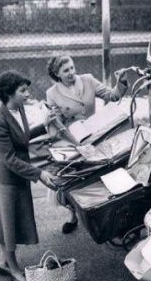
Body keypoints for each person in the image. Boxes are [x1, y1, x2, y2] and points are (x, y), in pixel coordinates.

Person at [0, 71, 58, 281]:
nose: (28, 94)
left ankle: (3, 263)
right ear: (9, 93)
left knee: (12, 222)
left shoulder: (19, 110)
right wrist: (40, 173)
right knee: (7, 227)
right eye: (23, 91)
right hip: (6, 180)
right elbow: (9, 158)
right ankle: (13, 268)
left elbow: (22, 138)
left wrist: (44, 125)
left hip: (20, 175)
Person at [45, 54, 129, 233]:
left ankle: (107, 211)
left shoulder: (88, 79)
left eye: (72, 68)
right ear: (57, 74)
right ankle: (73, 215)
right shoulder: (52, 94)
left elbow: (112, 95)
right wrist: (54, 123)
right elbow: (57, 124)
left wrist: (121, 81)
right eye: (66, 70)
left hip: (96, 134)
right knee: (73, 177)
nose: (71, 72)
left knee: (104, 172)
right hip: (73, 138)